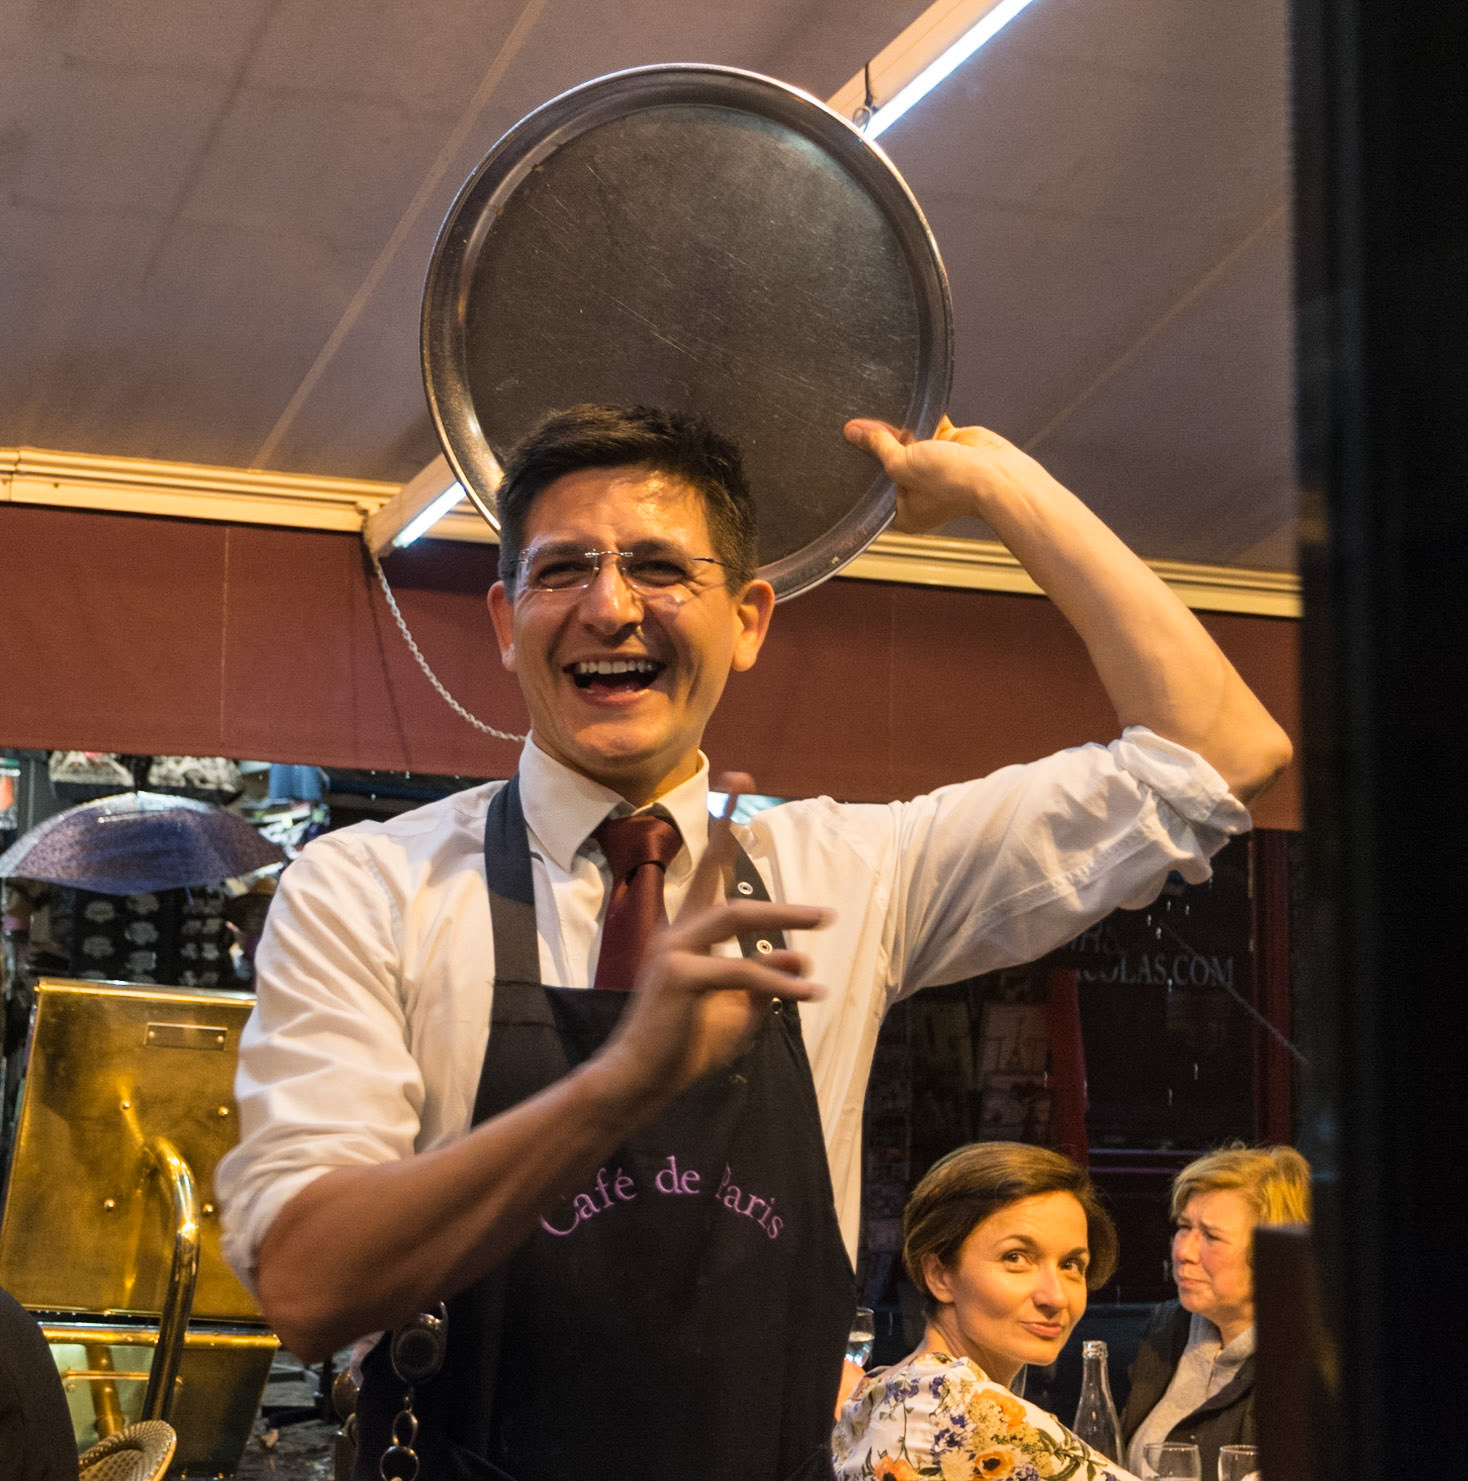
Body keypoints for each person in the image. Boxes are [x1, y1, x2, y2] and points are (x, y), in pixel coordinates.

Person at [216, 404, 1292, 1481]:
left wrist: (1000, 486)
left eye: (658, 567)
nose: (609, 603)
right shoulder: (369, 885)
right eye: (562, 569)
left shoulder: (855, 873)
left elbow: (1223, 749)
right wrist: (619, 1082)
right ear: (504, 620)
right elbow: (308, 1286)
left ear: (749, 618)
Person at [833, 1142, 1138, 1480]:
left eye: (1071, 1264)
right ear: (939, 1275)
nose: (1055, 1296)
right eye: (1016, 1258)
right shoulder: (969, 1408)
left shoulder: (886, 1388)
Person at [1120, 1144, 1312, 1476]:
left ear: (1271, 1253)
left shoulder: (1303, 1362)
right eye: (1183, 1227)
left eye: (1210, 1236)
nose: (1184, 1251)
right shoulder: (1169, 1326)